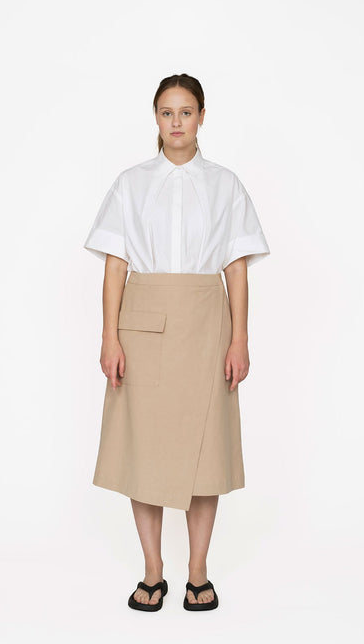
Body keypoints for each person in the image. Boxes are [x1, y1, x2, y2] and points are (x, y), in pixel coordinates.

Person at [83, 73, 270, 612]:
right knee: (143, 450)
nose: (176, 122)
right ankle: (152, 571)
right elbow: (115, 266)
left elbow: (236, 267)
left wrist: (240, 339)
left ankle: (197, 571)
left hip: (207, 324)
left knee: (206, 453)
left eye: (186, 112)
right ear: (156, 118)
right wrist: (109, 337)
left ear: (202, 116)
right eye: (167, 113)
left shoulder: (226, 184)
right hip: (142, 326)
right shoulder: (131, 183)